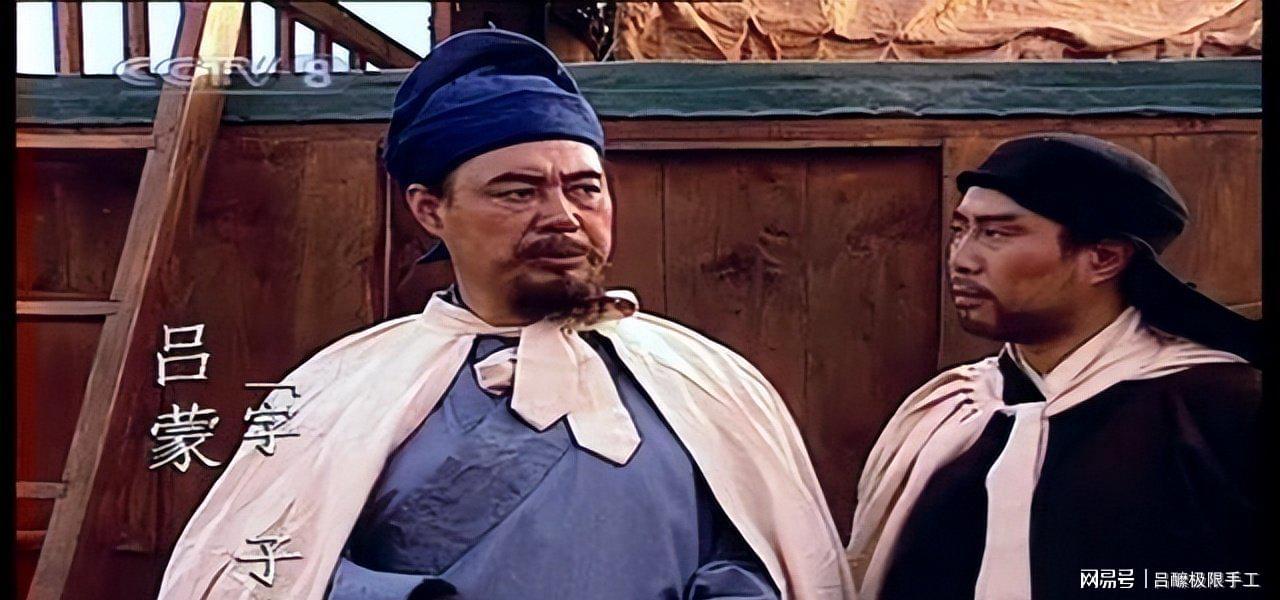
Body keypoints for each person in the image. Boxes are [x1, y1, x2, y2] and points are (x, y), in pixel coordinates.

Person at [159, 29, 853, 600]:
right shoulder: (340, 386)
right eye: (517, 192)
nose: (563, 216)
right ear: (431, 209)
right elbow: (259, 571)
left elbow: (768, 563)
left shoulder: (708, 381)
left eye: (585, 188)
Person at [847, 133, 1262, 600]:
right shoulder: (950, 411)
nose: (961, 260)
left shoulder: (1218, 409)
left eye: (996, 234)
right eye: (960, 229)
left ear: (1103, 258)